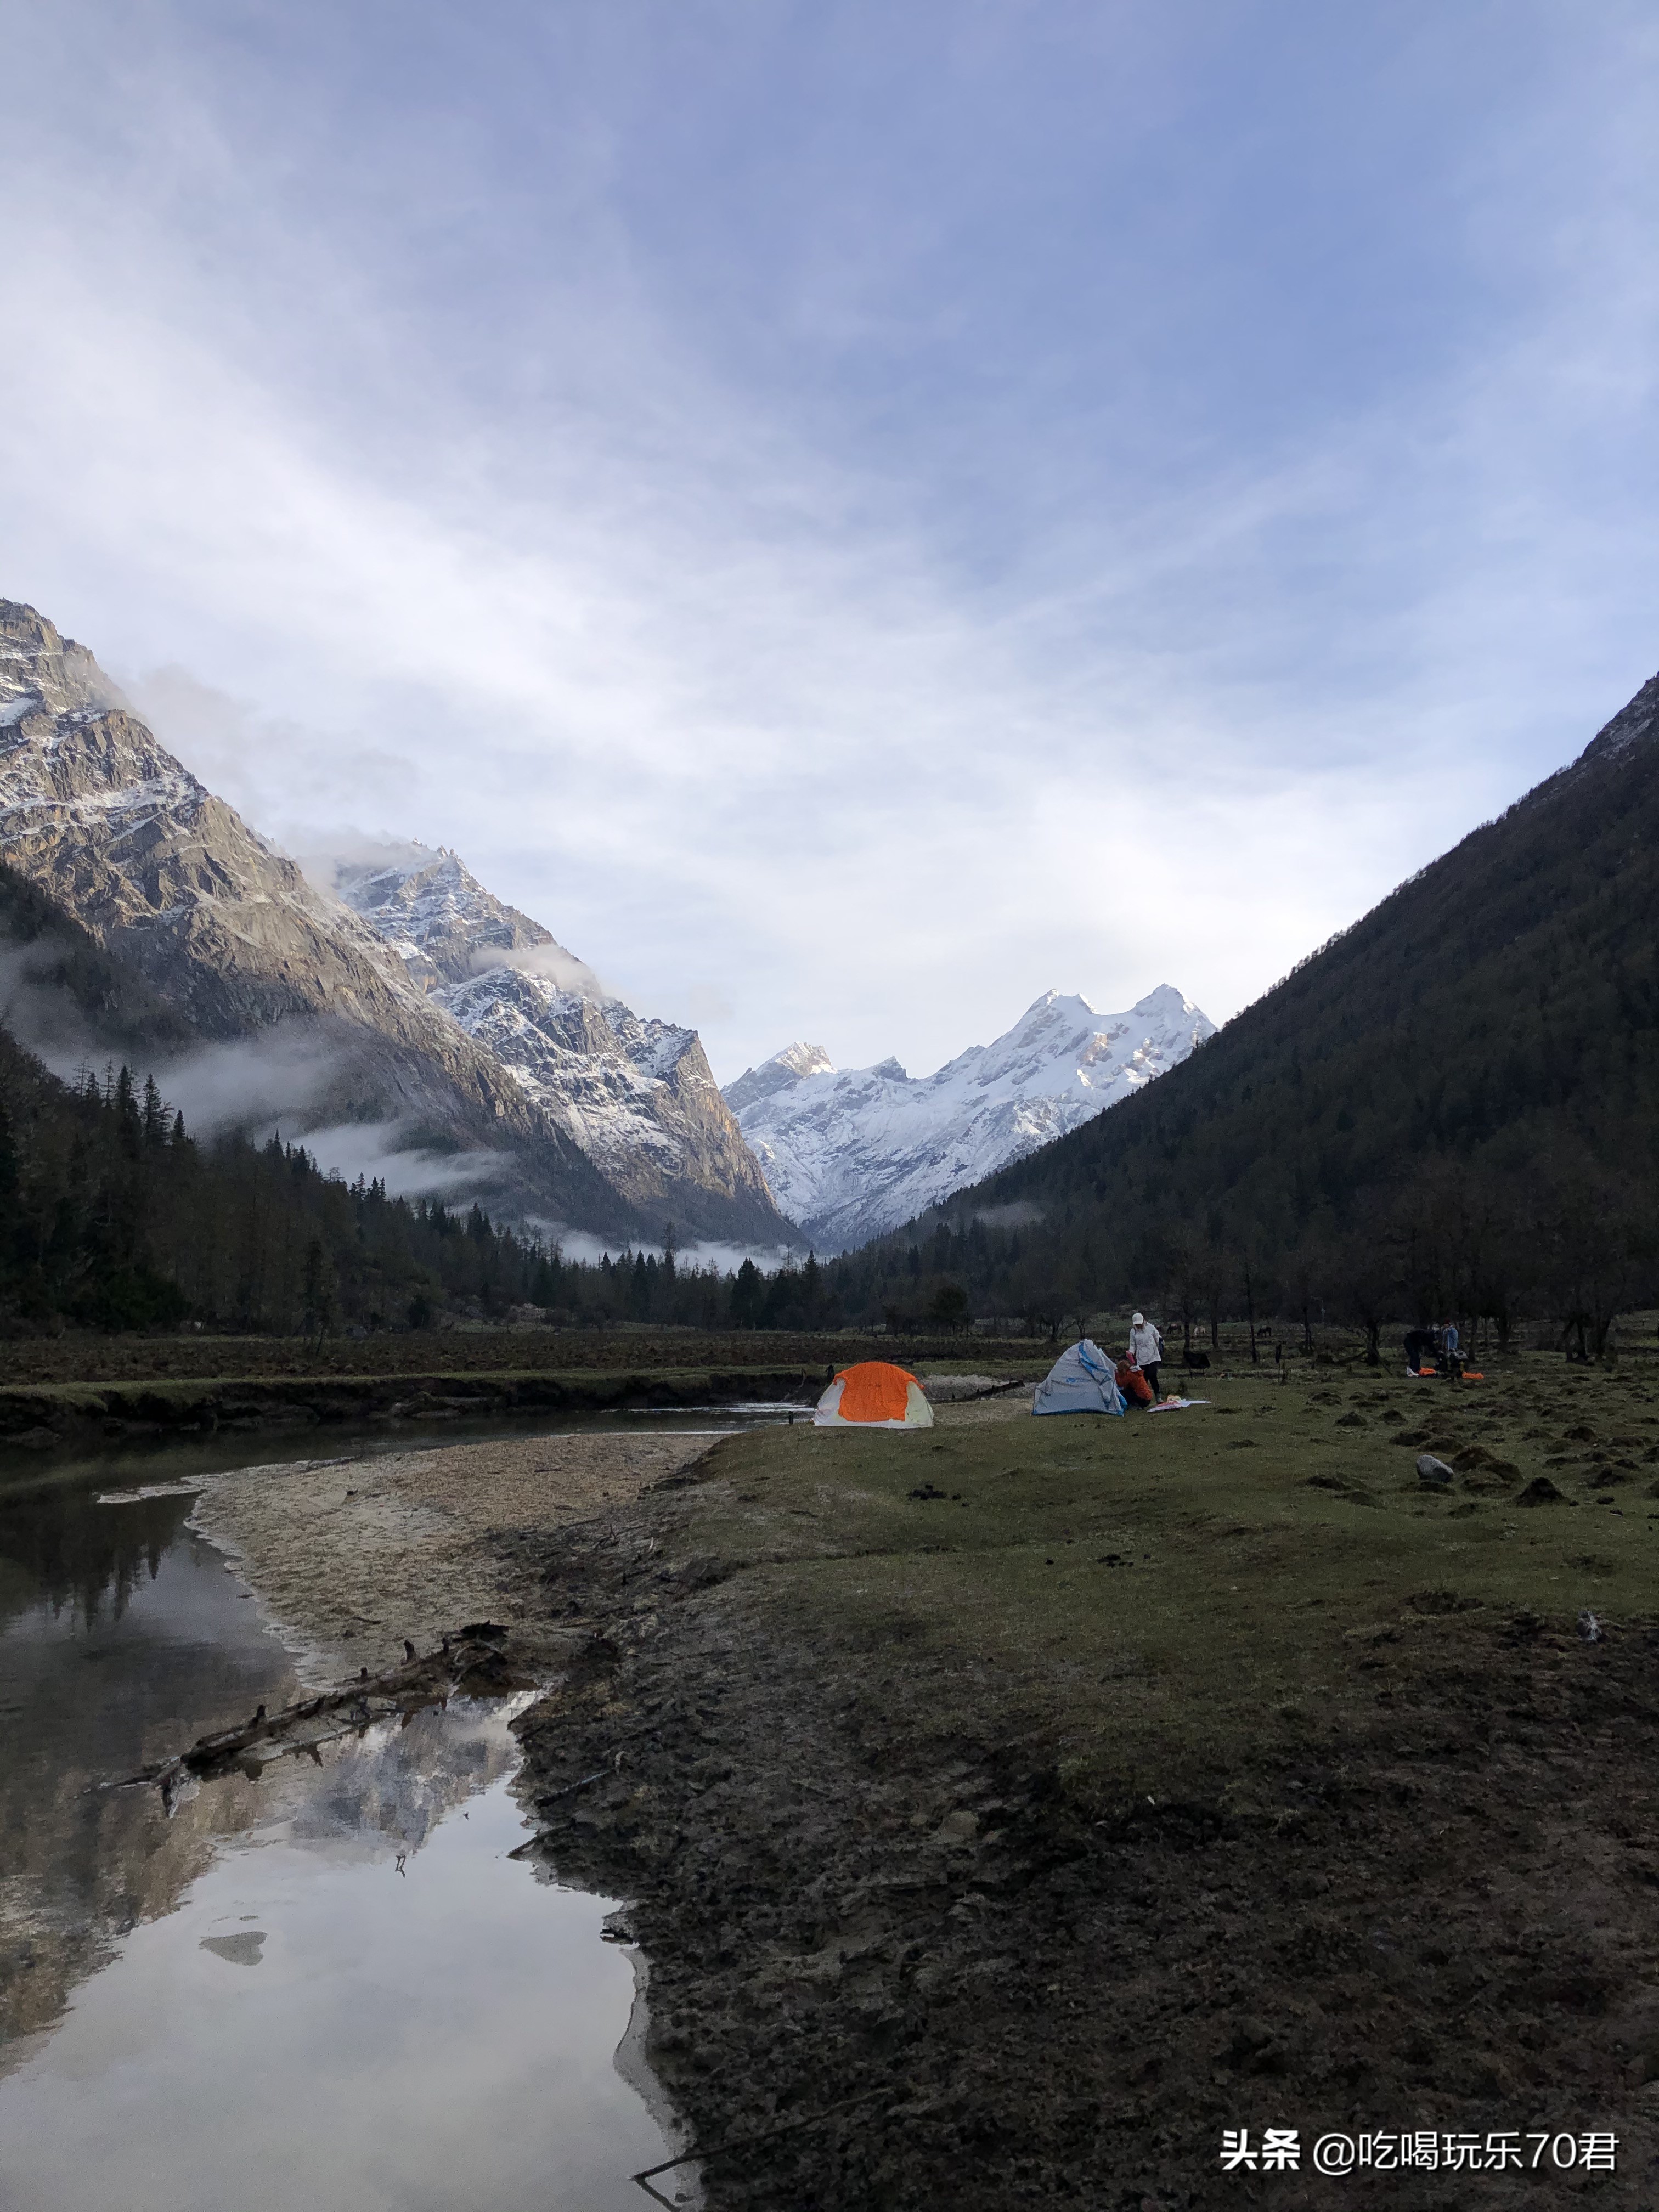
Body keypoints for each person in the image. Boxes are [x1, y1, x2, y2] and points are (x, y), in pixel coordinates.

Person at [1128, 1311, 1164, 1401]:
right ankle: (1144, 1399)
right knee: (1143, 1379)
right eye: (1137, 1324)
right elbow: (1133, 1344)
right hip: (1141, 1359)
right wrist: (1131, 1352)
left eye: (1140, 1324)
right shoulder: (1133, 1332)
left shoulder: (1151, 1328)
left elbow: (1158, 1338)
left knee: (1153, 1375)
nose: (1139, 1326)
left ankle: (1158, 1396)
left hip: (1153, 1356)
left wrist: (1160, 1344)